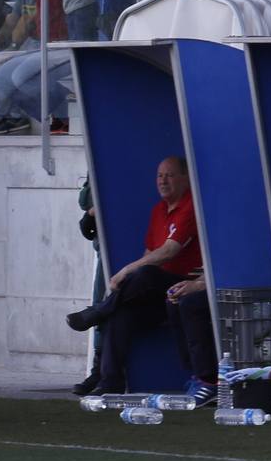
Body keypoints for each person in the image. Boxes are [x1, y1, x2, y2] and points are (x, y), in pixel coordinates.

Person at [64, 157, 202, 397]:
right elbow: (149, 254)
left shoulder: (191, 206)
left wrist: (127, 271)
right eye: (160, 176)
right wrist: (130, 278)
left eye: (169, 175)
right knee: (121, 313)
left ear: (185, 178)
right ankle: (110, 383)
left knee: (146, 273)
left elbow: (169, 251)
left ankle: (98, 311)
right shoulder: (159, 211)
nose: (163, 180)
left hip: (184, 286)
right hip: (158, 293)